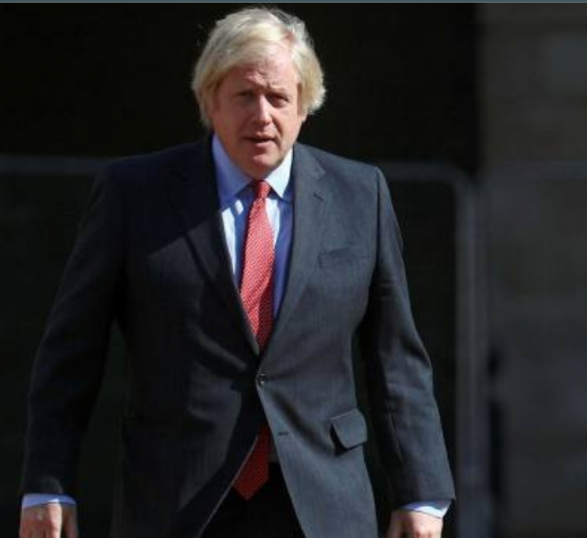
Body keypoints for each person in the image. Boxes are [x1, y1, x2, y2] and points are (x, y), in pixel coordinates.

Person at [19, 7, 454, 538]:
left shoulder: (361, 196)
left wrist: (420, 493)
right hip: (177, 499)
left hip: (320, 501)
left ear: (305, 106)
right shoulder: (135, 194)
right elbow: (71, 352)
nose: (262, 115)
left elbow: (396, 358)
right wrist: (47, 482)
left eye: (278, 98)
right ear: (210, 101)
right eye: (245, 95)